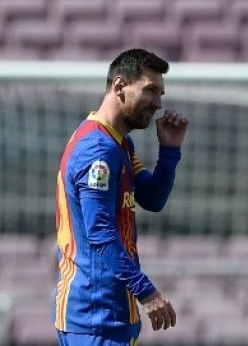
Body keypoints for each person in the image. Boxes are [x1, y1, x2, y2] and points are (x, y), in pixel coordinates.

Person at [54, 48, 188, 346]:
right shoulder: (97, 152)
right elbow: (100, 233)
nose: (158, 103)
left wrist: (169, 152)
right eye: (151, 90)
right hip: (94, 316)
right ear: (119, 86)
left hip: (112, 314)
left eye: (161, 93)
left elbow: (152, 198)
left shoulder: (120, 144)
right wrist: (147, 291)